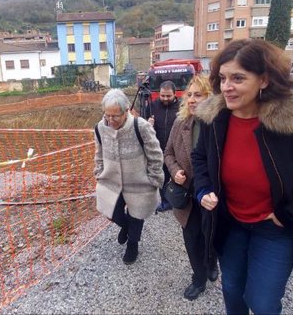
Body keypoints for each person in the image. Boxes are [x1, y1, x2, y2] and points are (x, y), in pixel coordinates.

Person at [191, 39, 293, 314]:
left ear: (263, 80)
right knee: (233, 291)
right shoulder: (214, 119)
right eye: (223, 78)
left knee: (262, 302)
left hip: (275, 228)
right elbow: (200, 158)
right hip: (232, 222)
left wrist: (291, 214)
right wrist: (203, 189)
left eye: (238, 78)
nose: (227, 87)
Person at [163, 75, 219, 301]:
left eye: (199, 95)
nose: (193, 100)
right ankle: (199, 278)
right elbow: (168, 154)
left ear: (209, 97)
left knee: (211, 235)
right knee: (191, 238)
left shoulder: (218, 124)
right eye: (190, 95)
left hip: (212, 195)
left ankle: (212, 261)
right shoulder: (180, 123)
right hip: (187, 193)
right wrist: (175, 171)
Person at [94, 89, 165, 265]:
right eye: (107, 115)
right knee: (112, 212)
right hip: (111, 182)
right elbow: (99, 153)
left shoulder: (140, 126)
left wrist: (154, 179)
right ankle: (125, 226)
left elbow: (155, 154)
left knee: (136, 215)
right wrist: (98, 171)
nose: (110, 120)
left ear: (126, 111)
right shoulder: (100, 128)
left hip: (139, 183)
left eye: (115, 116)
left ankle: (132, 245)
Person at [148, 80, 180, 212]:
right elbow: (143, 126)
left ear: (175, 94)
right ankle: (165, 201)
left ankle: (179, 200)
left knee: (178, 176)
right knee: (162, 177)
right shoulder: (152, 106)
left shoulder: (182, 107)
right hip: (159, 149)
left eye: (168, 96)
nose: (165, 99)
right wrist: (148, 124)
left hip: (176, 150)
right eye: (162, 96)